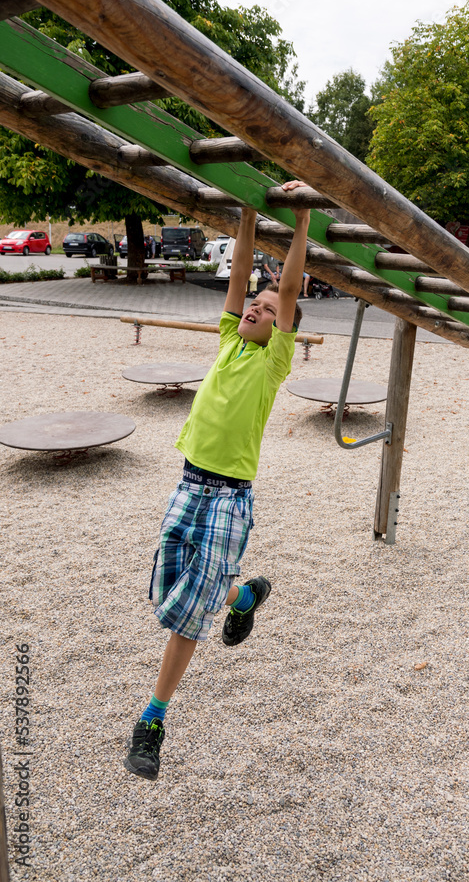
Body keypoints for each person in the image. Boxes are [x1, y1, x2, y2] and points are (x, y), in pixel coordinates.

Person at [124, 180, 311, 782]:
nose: (255, 305)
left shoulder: (273, 360)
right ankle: (244, 597)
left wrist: (301, 218)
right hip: (188, 485)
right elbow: (239, 277)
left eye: (266, 307)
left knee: (184, 615)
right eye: (251, 304)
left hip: (230, 497)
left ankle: (153, 719)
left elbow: (286, 286)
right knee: (171, 591)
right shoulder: (231, 341)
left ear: (281, 327)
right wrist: (249, 208)